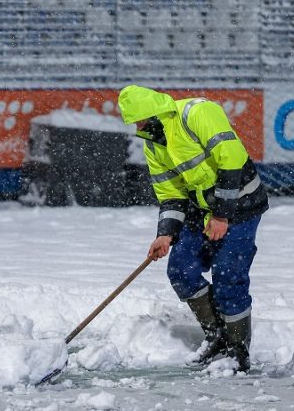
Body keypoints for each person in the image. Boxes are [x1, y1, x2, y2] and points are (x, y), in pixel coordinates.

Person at [117, 85, 268, 372]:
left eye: (139, 119)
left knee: (228, 273)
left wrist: (222, 216)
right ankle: (218, 337)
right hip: (202, 211)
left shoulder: (198, 112)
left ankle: (238, 350)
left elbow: (232, 159)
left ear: (155, 112)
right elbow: (170, 193)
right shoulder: (154, 143)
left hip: (240, 203)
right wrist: (166, 232)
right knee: (181, 270)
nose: (137, 126)